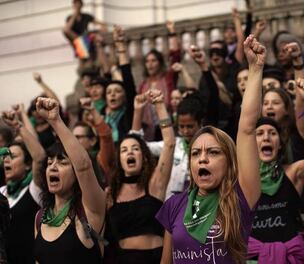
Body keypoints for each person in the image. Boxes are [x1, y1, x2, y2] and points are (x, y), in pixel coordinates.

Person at [156, 34, 264, 264]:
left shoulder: (241, 197)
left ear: (229, 161)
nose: (202, 159)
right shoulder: (174, 205)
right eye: (196, 153)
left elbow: (246, 127)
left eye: (213, 152)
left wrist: (255, 69)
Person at [247, 79, 304, 263]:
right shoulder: (243, 178)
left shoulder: (294, 173)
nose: (266, 137)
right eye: (260, 133)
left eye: (272, 133)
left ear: (279, 143)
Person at [33, 97, 106, 263]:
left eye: (62, 162)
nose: (52, 167)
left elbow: (84, 167)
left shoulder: (89, 210)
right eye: (50, 163)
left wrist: (55, 121)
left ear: (76, 175)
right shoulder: (40, 217)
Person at [106, 89, 175, 263]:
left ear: (144, 157)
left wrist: (159, 105)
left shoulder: (154, 184)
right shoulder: (110, 193)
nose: (130, 152)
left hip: (157, 257)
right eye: (124, 150)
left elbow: (169, 144)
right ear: (119, 160)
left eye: (135, 149)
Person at [0, 108, 45, 264]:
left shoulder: (34, 189)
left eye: (12, 157)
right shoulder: (1, 191)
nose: (6, 160)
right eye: (4, 156)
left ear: (27, 165)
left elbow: (39, 158)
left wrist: (18, 125)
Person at [136, 21, 181, 141]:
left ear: (160, 63)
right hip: (148, 133)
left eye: (153, 61)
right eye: (147, 61)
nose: (150, 64)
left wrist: (172, 32)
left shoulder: (168, 79)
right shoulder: (143, 85)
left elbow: (175, 57)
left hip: (168, 128)